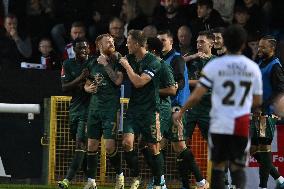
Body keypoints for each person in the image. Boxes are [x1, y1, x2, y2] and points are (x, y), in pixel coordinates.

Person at [173, 24, 263, 189]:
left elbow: (197, 94)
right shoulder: (253, 68)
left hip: (218, 118)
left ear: (224, 43)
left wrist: (182, 110)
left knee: (218, 165)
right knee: (237, 166)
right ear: (243, 44)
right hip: (240, 121)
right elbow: (257, 101)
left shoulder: (216, 65)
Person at [157, 30, 209, 189]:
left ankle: (201, 182)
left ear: (171, 42)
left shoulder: (177, 58)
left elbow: (180, 81)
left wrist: (173, 88)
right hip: (165, 106)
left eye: (163, 40)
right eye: (159, 41)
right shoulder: (162, 59)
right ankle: (160, 182)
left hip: (176, 106)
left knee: (179, 146)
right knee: (158, 145)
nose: (161, 43)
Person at [119, 30, 162, 189]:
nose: (126, 44)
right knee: (126, 143)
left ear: (137, 44)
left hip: (150, 111)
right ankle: (136, 177)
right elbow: (116, 60)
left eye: (129, 42)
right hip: (133, 110)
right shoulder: (128, 57)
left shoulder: (154, 61)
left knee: (153, 148)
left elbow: (138, 82)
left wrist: (127, 67)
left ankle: (158, 183)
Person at [83, 34, 124, 189]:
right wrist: (88, 88)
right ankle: (91, 181)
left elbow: (118, 81)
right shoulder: (92, 63)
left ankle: (119, 175)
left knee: (109, 146)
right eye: (108, 42)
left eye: (113, 41)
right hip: (94, 109)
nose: (111, 43)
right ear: (99, 45)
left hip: (110, 109)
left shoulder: (117, 62)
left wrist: (106, 64)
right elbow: (87, 83)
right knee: (91, 145)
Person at [142, 37, 177, 189]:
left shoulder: (163, 66)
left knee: (153, 145)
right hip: (148, 109)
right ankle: (159, 178)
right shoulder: (145, 64)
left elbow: (172, 89)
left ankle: (160, 182)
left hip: (161, 109)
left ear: (152, 50)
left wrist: (153, 91)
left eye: (145, 47)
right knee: (144, 145)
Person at [250, 35, 284, 189]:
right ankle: (280, 179)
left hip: (267, 114)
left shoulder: (275, 66)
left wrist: (264, 106)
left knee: (263, 151)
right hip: (257, 113)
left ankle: (263, 186)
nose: (260, 49)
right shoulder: (261, 62)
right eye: (259, 46)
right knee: (252, 150)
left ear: (272, 49)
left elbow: (280, 90)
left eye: (263, 47)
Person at [58, 37, 91, 189]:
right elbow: (64, 87)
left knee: (81, 142)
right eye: (79, 48)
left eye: (85, 47)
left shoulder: (94, 63)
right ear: (74, 50)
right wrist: (80, 78)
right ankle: (91, 180)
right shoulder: (68, 64)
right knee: (79, 144)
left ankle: (67, 179)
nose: (82, 50)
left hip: (89, 109)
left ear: (89, 49)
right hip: (75, 109)